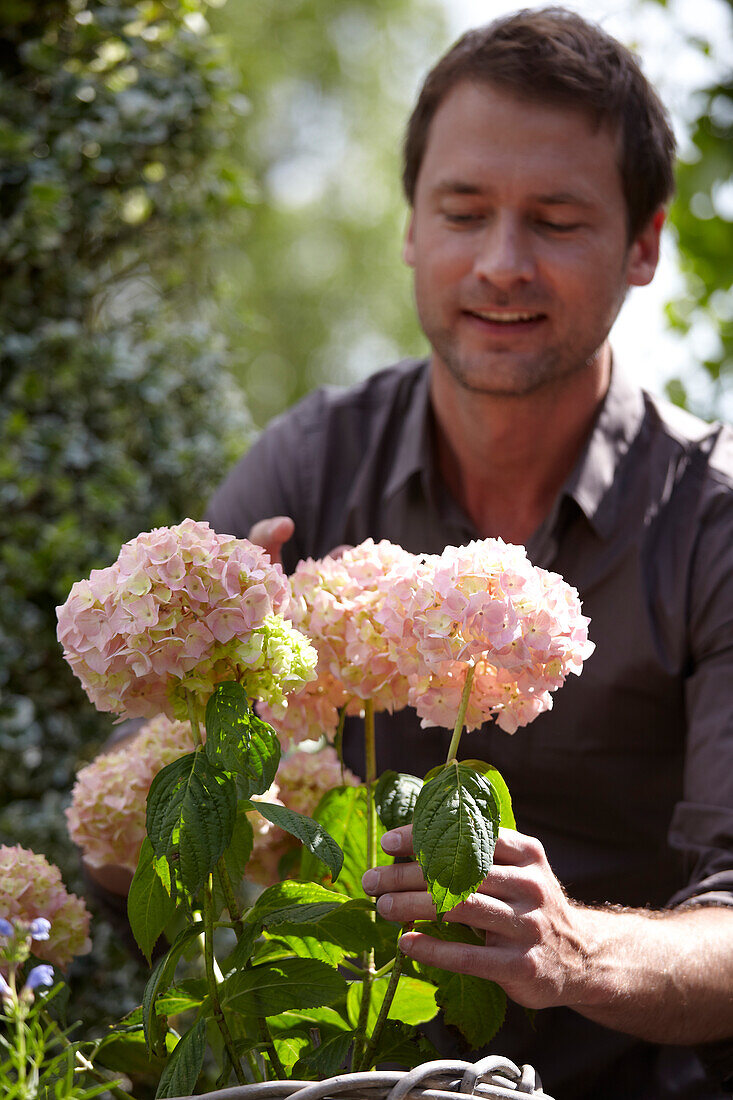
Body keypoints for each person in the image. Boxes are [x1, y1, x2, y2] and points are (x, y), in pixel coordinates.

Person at [211, 8, 733, 1096]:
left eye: (554, 219)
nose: (501, 263)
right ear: (410, 225)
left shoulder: (714, 519)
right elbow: (140, 839)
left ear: (643, 244)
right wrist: (209, 709)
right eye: (463, 210)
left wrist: (575, 948)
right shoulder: (310, 468)